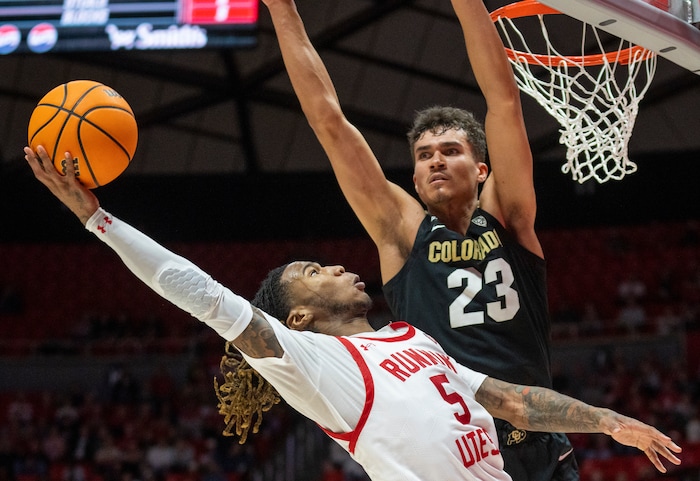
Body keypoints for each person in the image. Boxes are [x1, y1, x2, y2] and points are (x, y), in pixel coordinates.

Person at [23, 145, 683, 481]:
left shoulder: (413, 338)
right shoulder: (313, 362)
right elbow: (197, 290)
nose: (334, 265)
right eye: (312, 272)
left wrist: (609, 421)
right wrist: (98, 218)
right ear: (299, 319)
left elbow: (511, 401)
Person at [260, 0, 577, 478]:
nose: (436, 161)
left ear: (482, 169)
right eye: (425, 154)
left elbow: (504, 100)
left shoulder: (509, 216)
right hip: (456, 450)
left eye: (451, 151)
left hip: (541, 442)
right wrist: (281, 8)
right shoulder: (402, 234)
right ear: (413, 177)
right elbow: (329, 121)